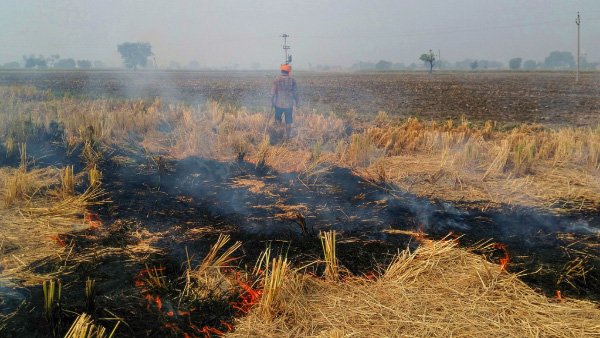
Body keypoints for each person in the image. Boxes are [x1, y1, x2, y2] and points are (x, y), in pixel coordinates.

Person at [271, 64, 299, 139]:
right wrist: (297, 102)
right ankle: (288, 136)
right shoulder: (292, 80)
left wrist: (272, 103)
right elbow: (295, 93)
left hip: (278, 104)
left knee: (277, 120)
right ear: (288, 71)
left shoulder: (276, 79)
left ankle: (278, 135)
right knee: (288, 121)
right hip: (288, 105)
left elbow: (273, 93)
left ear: (281, 70)